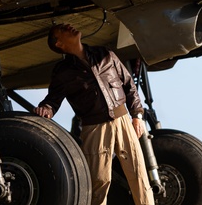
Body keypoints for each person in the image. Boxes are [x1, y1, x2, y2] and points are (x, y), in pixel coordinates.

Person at [34, 24, 154, 205]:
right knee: (98, 182)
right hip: (94, 129)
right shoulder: (63, 71)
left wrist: (137, 115)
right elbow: (53, 99)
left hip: (123, 121)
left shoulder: (105, 54)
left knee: (139, 175)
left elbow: (129, 84)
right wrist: (45, 109)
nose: (69, 26)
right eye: (63, 29)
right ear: (59, 43)